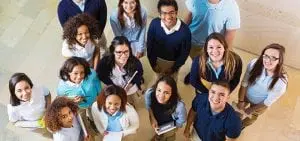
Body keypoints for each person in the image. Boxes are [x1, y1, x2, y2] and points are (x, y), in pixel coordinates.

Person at [183, 0, 240, 84]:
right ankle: (196, 72)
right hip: (194, 42)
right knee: (197, 61)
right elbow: (190, 14)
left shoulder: (231, 6)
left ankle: (205, 76)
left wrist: (224, 54)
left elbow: (230, 33)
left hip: (214, 47)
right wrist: (181, 33)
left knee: (210, 66)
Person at [236, 43, 288, 129]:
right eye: (266, 56)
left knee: (251, 118)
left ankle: (242, 126)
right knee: (237, 112)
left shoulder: (281, 83)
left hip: (260, 104)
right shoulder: (254, 64)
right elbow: (244, 83)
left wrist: (251, 110)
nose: (268, 60)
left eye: (273, 58)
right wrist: (241, 101)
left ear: (280, 61)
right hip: (246, 95)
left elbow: (267, 102)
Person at [57, 57, 101, 140]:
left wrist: (100, 95)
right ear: (68, 73)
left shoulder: (91, 74)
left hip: (94, 100)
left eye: (82, 72)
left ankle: (94, 123)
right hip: (78, 107)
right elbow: (61, 100)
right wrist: (72, 100)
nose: (79, 76)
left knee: (95, 115)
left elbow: (97, 83)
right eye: (75, 73)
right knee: (83, 123)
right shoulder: (62, 87)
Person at [147, 0, 191, 81]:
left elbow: (185, 53)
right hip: (157, 60)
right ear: (159, 14)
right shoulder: (154, 24)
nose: (168, 17)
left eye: (171, 12)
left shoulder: (185, 31)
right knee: (158, 80)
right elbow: (150, 45)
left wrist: (174, 68)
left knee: (171, 82)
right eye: (164, 13)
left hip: (173, 62)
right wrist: (153, 64)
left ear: (176, 12)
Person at [96, 36, 143, 107]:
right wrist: (113, 86)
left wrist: (131, 84)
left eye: (126, 51)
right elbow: (100, 75)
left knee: (132, 105)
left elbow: (139, 74)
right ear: (113, 52)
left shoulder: (135, 62)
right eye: (119, 52)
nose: (123, 55)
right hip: (113, 88)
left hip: (130, 89)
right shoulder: (104, 63)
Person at [144, 76, 187, 141]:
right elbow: (149, 106)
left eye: (166, 93)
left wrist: (168, 128)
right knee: (158, 135)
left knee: (169, 136)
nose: (161, 96)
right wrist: (152, 118)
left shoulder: (179, 107)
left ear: (172, 94)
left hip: (170, 126)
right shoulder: (149, 94)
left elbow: (181, 120)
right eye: (159, 90)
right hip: (157, 122)